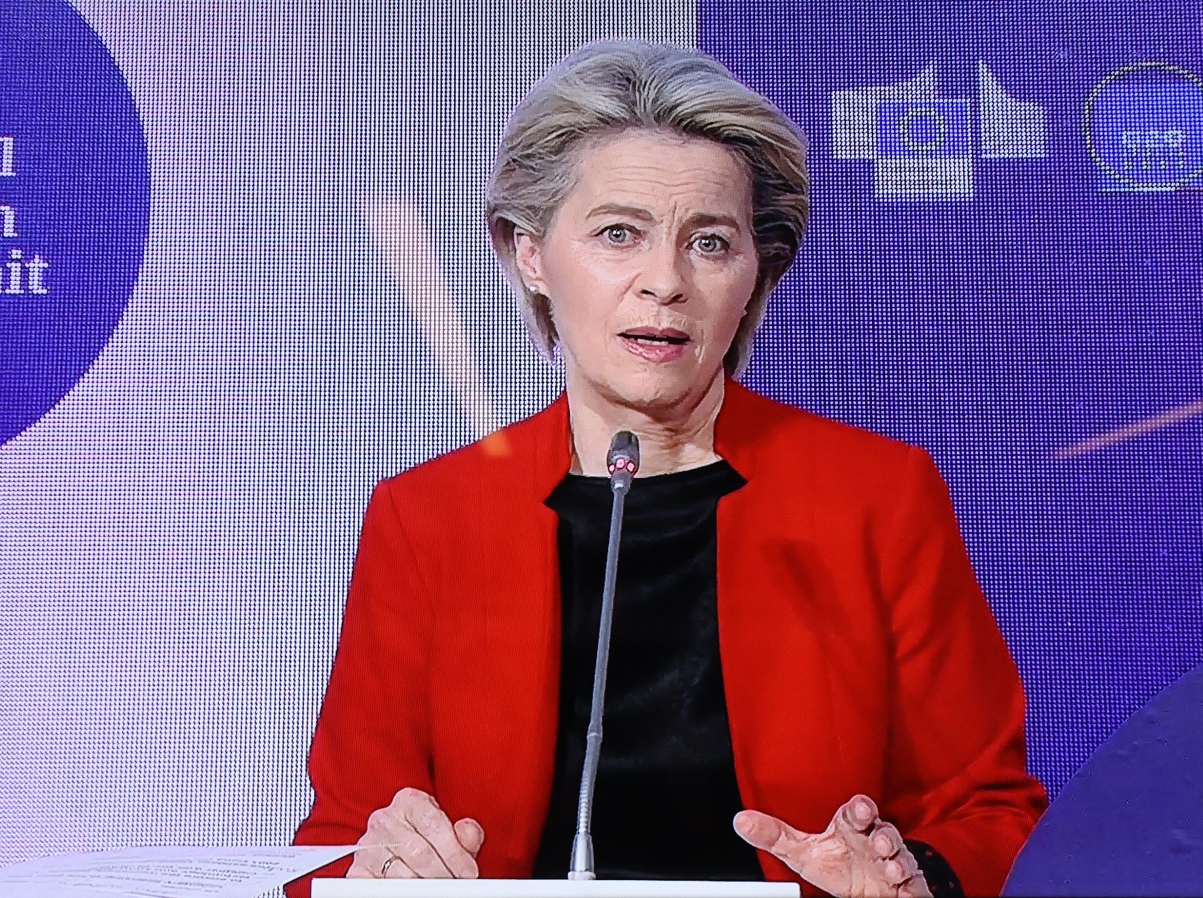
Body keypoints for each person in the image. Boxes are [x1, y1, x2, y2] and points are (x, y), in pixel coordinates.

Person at [292, 39, 1047, 897]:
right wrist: (380, 866)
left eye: (711, 244)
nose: (665, 282)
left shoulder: (874, 495)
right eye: (619, 234)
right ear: (529, 254)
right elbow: (335, 842)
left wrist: (917, 877)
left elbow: (995, 813)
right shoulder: (429, 516)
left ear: (758, 269)